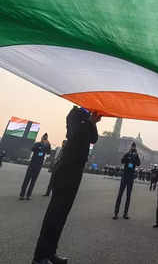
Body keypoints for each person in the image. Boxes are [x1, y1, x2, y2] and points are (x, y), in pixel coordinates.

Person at [32, 107, 100, 264]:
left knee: (62, 215)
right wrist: (89, 122)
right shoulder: (74, 113)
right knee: (54, 214)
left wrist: (93, 123)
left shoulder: (87, 116)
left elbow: (93, 139)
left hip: (76, 171)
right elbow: (73, 135)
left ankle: (50, 253)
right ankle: (40, 256)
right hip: (66, 170)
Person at [113, 142, 141, 220]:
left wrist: (136, 156)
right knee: (120, 195)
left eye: (134, 147)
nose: (133, 148)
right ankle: (116, 213)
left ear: (135, 148)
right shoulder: (127, 154)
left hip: (130, 177)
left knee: (128, 196)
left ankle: (125, 213)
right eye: (132, 147)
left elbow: (139, 164)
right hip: (125, 176)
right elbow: (122, 161)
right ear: (130, 147)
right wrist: (128, 156)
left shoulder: (136, 155)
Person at [20, 133, 51, 200]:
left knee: (33, 181)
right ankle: (22, 195)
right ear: (42, 137)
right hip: (32, 164)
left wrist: (48, 145)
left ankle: (28, 195)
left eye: (46, 138)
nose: (45, 139)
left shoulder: (46, 146)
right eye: (44, 137)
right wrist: (40, 145)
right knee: (26, 180)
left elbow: (49, 153)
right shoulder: (37, 144)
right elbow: (33, 149)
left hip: (38, 166)